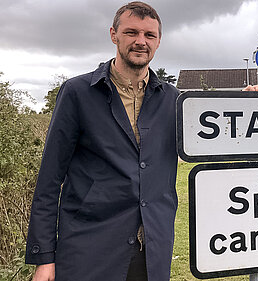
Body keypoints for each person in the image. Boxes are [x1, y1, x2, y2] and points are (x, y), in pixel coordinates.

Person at [26, 2, 177, 280]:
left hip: (153, 251)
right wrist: (44, 257)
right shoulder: (77, 93)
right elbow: (49, 179)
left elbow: (213, 134)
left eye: (149, 35)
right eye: (131, 32)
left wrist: (250, 103)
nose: (140, 41)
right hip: (90, 247)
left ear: (158, 41)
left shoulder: (173, 99)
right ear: (113, 34)